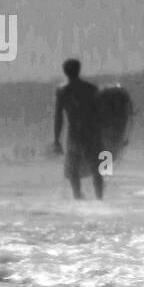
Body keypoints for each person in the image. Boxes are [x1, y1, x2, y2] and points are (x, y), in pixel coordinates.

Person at [52, 59, 104, 200]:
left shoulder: (62, 91)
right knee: (97, 168)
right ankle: (100, 199)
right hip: (91, 132)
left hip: (74, 134)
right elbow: (100, 113)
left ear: (65, 71)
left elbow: (59, 117)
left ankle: (77, 197)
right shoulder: (91, 89)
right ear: (79, 70)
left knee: (73, 169)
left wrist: (57, 140)